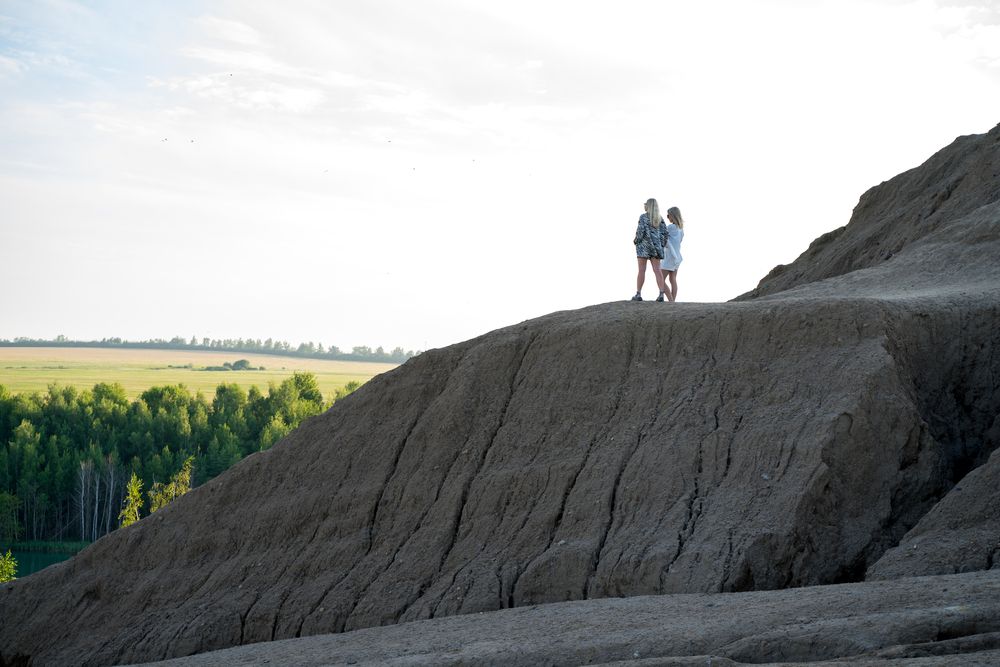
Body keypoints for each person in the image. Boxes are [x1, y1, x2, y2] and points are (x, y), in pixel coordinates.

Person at [631, 198, 669, 302]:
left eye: (645, 204)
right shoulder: (660, 218)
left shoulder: (643, 217)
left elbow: (640, 231)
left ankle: (638, 294)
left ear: (648, 206)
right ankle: (661, 294)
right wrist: (661, 244)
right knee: (657, 271)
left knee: (641, 270)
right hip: (656, 248)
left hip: (644, 247)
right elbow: (665, 233)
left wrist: (636, 241)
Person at [659, 206, 685, 302]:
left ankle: (670, 299)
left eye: (668, 215)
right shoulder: (681, 229)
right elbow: (680, 241)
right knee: (673, 279)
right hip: (677, 256)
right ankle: (672, 301)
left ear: (672, 216)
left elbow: (662, 236)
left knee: (660, 278)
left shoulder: (670, 227)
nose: (667, 217)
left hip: (669, 256)